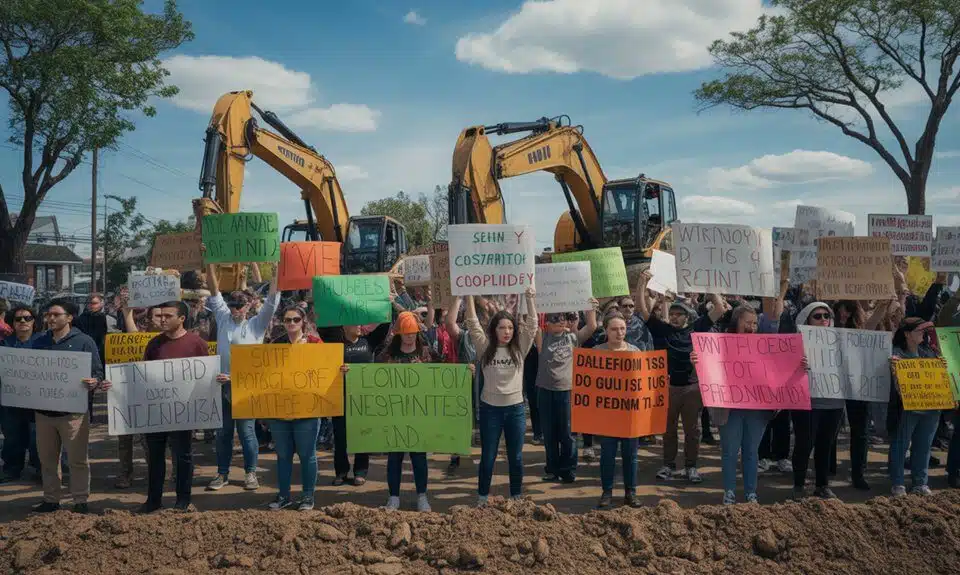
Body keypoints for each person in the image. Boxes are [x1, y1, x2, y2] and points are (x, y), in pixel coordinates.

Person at [693, 293, 787, 505]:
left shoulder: (765, 345)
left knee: (751, 452)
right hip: (730, 409)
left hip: (757, 410)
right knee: (730, 451)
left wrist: (799, 365)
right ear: (737, 322)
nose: (752, 327)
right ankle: (729, 492)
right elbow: (708, 365)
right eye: (748, 323)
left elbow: (780, 361)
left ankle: (751, 493)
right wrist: (697, 360)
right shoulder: (719, 344)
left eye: (755, 324)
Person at [637, 272, 724, 483]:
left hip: (692, 389)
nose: (674, 316)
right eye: (672, 313)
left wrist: (710, 290)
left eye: (679, 314)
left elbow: (720, 308)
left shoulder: (697, 328)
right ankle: (668, 465)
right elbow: (644, 311)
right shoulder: (663, 330)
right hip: (668, 387)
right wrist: (641, 284)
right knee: (668, 431)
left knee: (692, 430)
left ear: (687, 317)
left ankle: (691, 467)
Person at [32, 298, 110, 513]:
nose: (51, 318)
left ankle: (80, 500)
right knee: (47, 460)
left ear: (69, 317)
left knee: (77, 460)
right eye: (48, 315)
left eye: (56, 314)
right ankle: (51, 499)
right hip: (44, 412)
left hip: (73, 413)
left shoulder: (84, 341)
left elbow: (97, 372)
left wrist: (94, 382)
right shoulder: (39, 341)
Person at [466, 287, 538, 506]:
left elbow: (533, 325)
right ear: (494, 330)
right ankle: (482, 497)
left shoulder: (520, 348)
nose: (506, 331)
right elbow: (472, 323)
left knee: (515, 458)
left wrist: (530, 298)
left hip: (515, 410)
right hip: (490, 411)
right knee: (488, 456)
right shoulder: (485, 347)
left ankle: (516, 496)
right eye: (502, 327)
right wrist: (468, 295)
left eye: (510, 327)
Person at [138, 301, 210, 513]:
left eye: (168, 316)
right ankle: (153, 500)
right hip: (157, 410)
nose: (162, 319)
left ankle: (183, 500)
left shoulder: (197, 344)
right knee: (155, 455)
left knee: (183, 455)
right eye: (160, 316)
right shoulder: (154, 344)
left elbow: (205, 376)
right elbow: (143, 375)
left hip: (184, 410)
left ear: (181, 319)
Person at [268, 305, 339, 511]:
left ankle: (308, 497)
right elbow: (262, 374)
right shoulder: (274, 344)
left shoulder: (316, 343)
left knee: (307, 454)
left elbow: (328, 367)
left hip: (307, 409)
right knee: (283, 455)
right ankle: (283, 496)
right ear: (282, 322)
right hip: (280, 409)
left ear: (303, 322)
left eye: (295, 320)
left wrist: (340, 370)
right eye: (287, 320)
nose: (291, 323)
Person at [378, 311, 438, 511]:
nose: (410, 335)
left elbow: (446, 373)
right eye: (405, 332)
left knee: (419, 457)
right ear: (398, 334)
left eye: (412, 331)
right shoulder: (388, 356)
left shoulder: (427, 354)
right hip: (395, 414)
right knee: (394, 457)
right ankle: (393, 497)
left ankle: (422, 496)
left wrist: (467, 372)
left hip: (418, 414)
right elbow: (370, 376)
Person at [791, 302, 847, 500]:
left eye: (826, 315)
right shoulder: (796, 342)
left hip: (834, 403)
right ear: (806, 319)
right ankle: (798, 485)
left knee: (826, 445)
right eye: (817, 316)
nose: (823, 319)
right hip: (807, 403)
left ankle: (822, 485)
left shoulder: (841, 341)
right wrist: (798, 364)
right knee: (804, 444)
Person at [535, 304, 596, 484]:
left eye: (563, 317)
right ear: (546, 323)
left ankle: (568, 470)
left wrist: (590, 306)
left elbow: (592, 326)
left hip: (567, 392)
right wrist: (530, 301)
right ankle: (552, 470)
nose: (561, 321)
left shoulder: (573, 338)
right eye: (555, 318)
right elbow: (531, 324)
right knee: (549, 433)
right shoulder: (542, 338)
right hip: (545, 391)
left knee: (568, 434)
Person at [888, 317, 944, 496]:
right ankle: (898, 483)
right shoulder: (896, 354)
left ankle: (920, 483)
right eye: (920, 330)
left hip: (931, 408)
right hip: (908, 409)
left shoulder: (929, 352)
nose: (924, 333)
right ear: (907, 334)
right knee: (900, 445)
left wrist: (942, 366)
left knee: (924, 446)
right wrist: (894, 368)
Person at [595, 312, 644, 508]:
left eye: (622, 328)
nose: (619, 332)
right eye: (614, 329)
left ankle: (630, 493)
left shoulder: (635, 352)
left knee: (630, 456)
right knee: (607, 455)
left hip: (630, 415)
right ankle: (606, 492)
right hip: (607, 416)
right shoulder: (596, 352)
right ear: (606, 330)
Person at [0, 304, 42, 482]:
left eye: (27, 318)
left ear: (34, 321)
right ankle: (12, 468)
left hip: (38, 402)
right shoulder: (4, 344)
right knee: (12, 437)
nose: (23, 321)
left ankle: (41, 468)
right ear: (12, 323)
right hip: (10, 402)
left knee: (38, 437)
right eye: (18, 319)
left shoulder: (45, 342)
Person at [327, 325, 372, 486]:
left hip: (362, 397)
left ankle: (360, 471)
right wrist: (338, 369)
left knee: (362, 434)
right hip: (341, 396)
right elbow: (326, 366)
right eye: (355, 323)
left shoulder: (368, 341)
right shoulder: (335, 344)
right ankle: (341, 472)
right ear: (345, 326)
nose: (359, 326)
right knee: (340, 436)